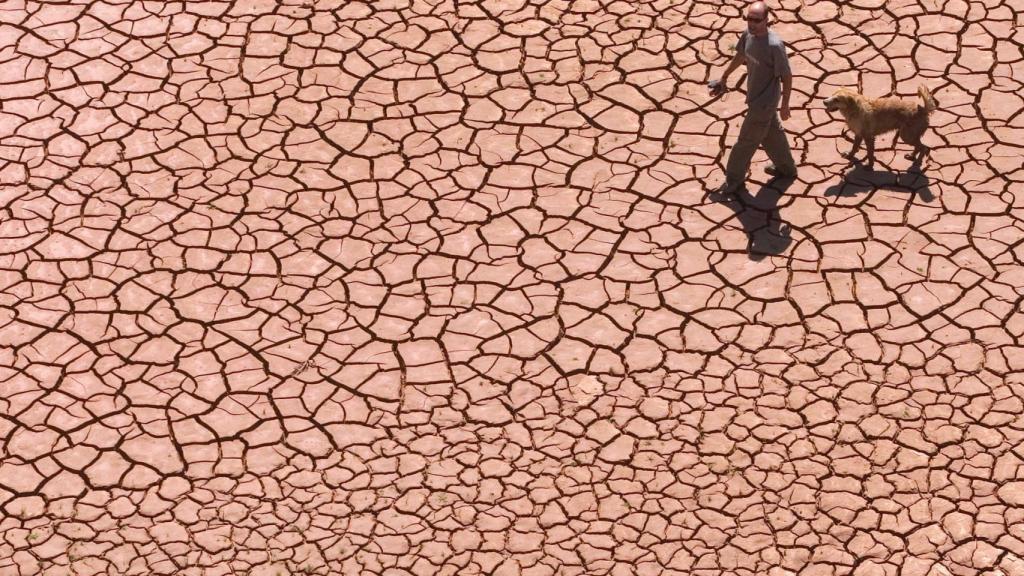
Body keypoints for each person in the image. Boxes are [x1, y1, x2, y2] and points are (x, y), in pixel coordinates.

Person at [708, 2, 797, 196]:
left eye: (757, 20)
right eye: (749, 18)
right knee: (772, 134)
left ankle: (733, 181)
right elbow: (741, 55)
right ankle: (787, 169)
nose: (752, 23)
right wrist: (724, 77)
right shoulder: (747, 35)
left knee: (745, 142)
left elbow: (787, 76)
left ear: (767, 20)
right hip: (756, 98)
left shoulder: (774, 45)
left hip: (764, 103)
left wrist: (785, 104)